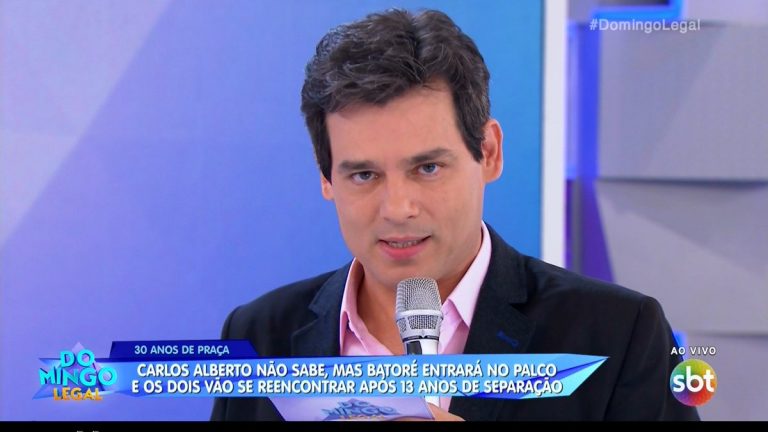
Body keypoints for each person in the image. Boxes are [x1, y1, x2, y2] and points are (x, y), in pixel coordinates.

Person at [211, 8, 699, 421]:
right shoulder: (258, 335)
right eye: (363, 175)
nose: (398, 208)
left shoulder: (617, 334)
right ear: (325, 178)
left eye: (427, 168)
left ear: (488, 153)